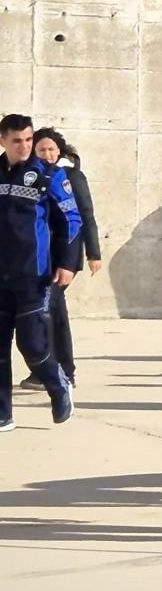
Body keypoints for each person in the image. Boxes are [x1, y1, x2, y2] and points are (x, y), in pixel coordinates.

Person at [0, 114, 81, 432]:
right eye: (17, 140)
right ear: (3, 140)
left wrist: (67, 263)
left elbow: (72, 220)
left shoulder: (49, 174)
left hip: (34, 275)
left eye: (29, 140)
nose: (24, 147)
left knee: (33, 345)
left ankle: (58, 386)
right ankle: (3, 413)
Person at [17, 128, 101, 392]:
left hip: (63, 255)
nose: (47, 154)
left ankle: (64, 371)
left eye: (51, 149)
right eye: (41, 150)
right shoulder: (30, 177)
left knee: (53, 311)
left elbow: (84, 216)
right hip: (37, 256)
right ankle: (44, 371)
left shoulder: (72, 177)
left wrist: (93, 254)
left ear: (60, 151)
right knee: (38, 314)